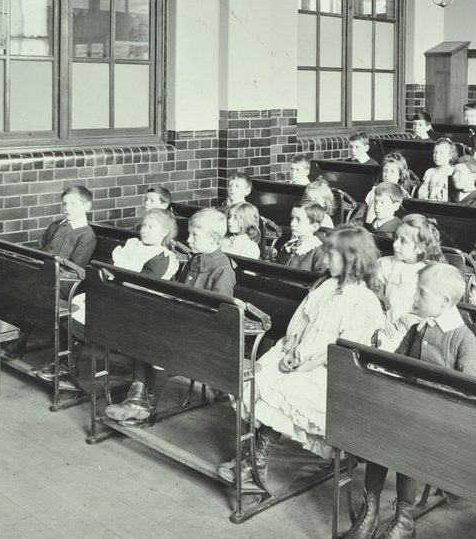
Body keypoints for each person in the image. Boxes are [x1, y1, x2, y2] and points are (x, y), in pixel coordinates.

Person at [218, 227, 387, 489]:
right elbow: (301, 323)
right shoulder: (326, 286)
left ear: (352, 258)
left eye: (332, 256)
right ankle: (251, 457)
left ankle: (256, 462)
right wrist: (290, 349)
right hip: (298, 355)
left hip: (327, 369)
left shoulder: (364, 301)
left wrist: (304, 365)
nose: (326, 261)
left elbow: (345, 348)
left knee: (284, 393)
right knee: (259, 379)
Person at [342, 263, 476, 539]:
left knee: (404, 438)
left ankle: (404, 521)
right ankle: (369, 512)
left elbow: (469, 394)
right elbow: (394, 364)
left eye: (421, 292)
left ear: (444, 302)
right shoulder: (418, 327)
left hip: (440, 423)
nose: (415, 298)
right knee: (383, 430)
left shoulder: (464, 340)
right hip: (408, 413)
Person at [104, 208, 235, 424]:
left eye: (194, 236)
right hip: (183, 324)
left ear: (213, 238)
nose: (188, 239)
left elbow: (219, 316)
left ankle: (149, 407)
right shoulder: (195, 261)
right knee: (144, 329)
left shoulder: (222, 270)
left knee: (162, 344)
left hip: (203, 333)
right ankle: (136, 397)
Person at [69, 209, 180, 326]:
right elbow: (115, 269)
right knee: (82, 303)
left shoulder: (161, 256)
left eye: (150, 227)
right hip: (118, 292)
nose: (144, 230)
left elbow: (143, 285)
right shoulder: (133, 244)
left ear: (164, 232)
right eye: (144, 225)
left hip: (139, 301)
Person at [374, 214, 445, 351]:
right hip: (382, 325)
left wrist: (402, 326)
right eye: (396, 238)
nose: (395, 244)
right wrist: (381, 319)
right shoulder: (385, 264)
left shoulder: (427, 274)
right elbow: (374, 295)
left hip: (410, 333)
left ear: (420, 248)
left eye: (403, 241)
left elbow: (424, 313)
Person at [277, 201, 329, 272]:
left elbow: (319, 279)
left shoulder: (319, 252)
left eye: (298, 220)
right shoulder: (288, 246)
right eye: (292, 218)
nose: (292, 224)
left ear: (314, 226)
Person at [365, 154, 416, 223]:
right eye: (385, 170)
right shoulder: (376, 192)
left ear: (400, 175)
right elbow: (369, 220)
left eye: (392, 171)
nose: (387, 175)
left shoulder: (405, 195)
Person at [417, 138, 456, 202]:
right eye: (435, 152)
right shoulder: (430, 172)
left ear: (450, 155)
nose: (436, 155)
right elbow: (422, 192)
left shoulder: (454, 172)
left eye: (441, 153)